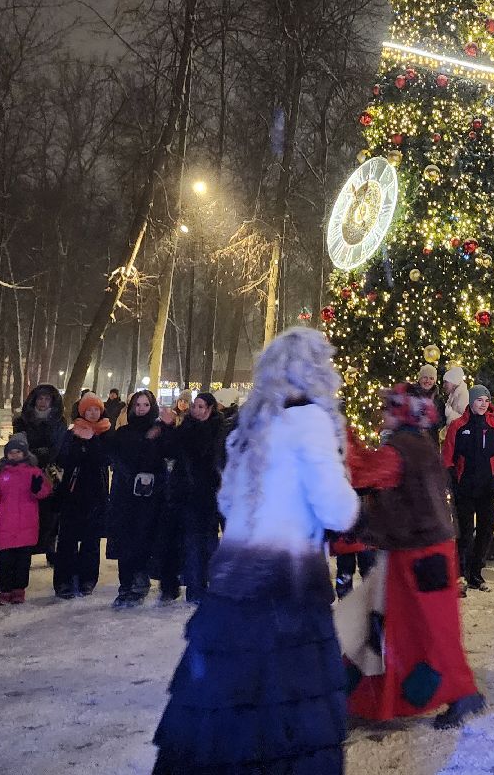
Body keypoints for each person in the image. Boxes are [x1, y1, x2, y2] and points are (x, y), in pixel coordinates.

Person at [153, 327, 359, 774]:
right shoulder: (310, 423)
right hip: (289, 588)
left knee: (229, 696)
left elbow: (227, 501)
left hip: (232, 588)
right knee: (287, 701)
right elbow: (338, 510)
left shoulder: (251, 425)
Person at [344, 384, 486, 728]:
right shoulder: (418, 443)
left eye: (389, 409)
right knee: (415, 628)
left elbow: (365, 473)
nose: (383, 414)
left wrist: (341, 435)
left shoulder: (402, 447)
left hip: (419, 552)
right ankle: (381, 697)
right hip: (423, 548)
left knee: (426, 631)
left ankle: (460, 692)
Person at [442, 384, 494, 593]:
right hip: (464, 490)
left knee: (485, 532)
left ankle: (476, 573)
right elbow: (447, 458)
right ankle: (460, 576)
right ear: (471, 402)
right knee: (465, 534)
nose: (483, 404)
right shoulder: (458, 426)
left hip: (487, 490)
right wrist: (454, 483)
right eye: (479, 400)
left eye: (486, 400)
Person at [107, 388, 171, 609]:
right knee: (126, 539)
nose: (141, 409)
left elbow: (167, 455)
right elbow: (114, 455)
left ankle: (139, 583)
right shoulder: (124, 432)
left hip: (150, 495)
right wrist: (129, 475)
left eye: (145, 405)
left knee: (144, 538)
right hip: (126, 494)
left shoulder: (159, 431)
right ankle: (125, 585)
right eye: (138, 405)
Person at [167, 390, 227, 603]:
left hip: (213, 493)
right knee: (193, 542)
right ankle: (195, 588)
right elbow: (173, 450)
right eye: (195, 406)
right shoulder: (185, 428)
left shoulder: (220, 430)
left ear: (210, 409)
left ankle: (215, 585)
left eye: (202, 407)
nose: (197, 410)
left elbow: (220, 459)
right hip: (190, 493)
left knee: (210, 542)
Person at [52, 393, 111, 599]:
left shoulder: (106, 432)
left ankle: (87, 579)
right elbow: (63, 459)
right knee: (67, 540)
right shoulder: (72, 433)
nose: (93, 413)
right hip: (73, 493)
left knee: (91, 541)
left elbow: (105, 459)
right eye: (88, 410)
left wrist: (92, 441)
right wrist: (80, 444)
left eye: (96, 409)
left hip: (96, 494)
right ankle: (64, 581)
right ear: (82, 411)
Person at [0, 433, 52, 606]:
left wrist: (38, 487)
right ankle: (5, 590)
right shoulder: (0, 474)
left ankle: (18, 590)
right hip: (6, 526)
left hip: (26, 526)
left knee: (22, 562)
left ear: (25, 453)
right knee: (4, 562)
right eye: (11, 452)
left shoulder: (33, 472)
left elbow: (43, 493)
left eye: (18, 452)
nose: (14, 455)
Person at [14, 383, 66, 559]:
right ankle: (25, 549)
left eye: (47, 399)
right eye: (40, 398)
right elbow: (19, 444)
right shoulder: (22, 421)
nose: (43, 402)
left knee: (50, 514)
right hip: (27, 470)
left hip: (51, 472)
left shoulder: (59, 422)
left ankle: (50, 547)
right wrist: (33, 455)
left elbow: (59, 445)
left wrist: (49, 458)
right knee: (27, 512)